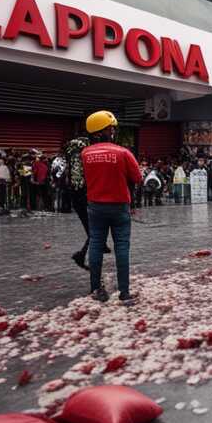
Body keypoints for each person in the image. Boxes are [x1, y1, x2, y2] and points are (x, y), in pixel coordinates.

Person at [81, 110, 142, 303]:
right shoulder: (123, 152)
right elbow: (138, 178)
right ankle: (124, 293)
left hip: (95, 207)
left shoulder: (85, 154)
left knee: (96, 245)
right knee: (122, 247)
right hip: (119, 207)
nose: (114, 132)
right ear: (104, 130)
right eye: (111, 128)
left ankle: (96, 289)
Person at [64, 135, 91, 270]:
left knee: (92, 230)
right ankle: (81, 255)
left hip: (77, 198)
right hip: (82, 197)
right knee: (93, 231)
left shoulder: (71, 156)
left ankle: (83, 254)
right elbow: (78, 181)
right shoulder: (78, 157)